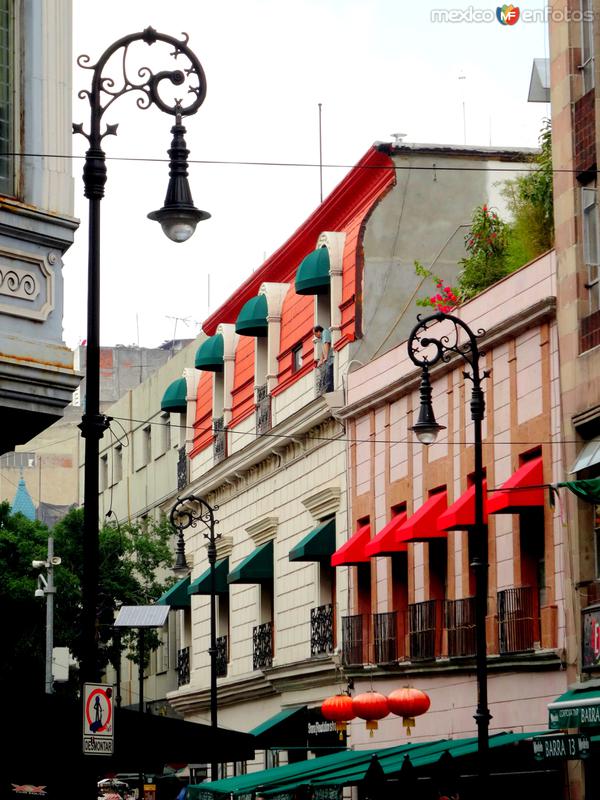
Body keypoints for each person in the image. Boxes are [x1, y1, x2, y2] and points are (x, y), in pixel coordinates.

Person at [313, 325, 334, 391]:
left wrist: (326, 357)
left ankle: (329, 389)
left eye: (315, 334)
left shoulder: (325, 332)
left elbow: (327, 344)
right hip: (328, 359)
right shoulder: (323, 337)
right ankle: (327, 389)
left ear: (319, 331)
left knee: (329, 375)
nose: (315, 336)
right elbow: (323, 349)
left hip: (330, 358)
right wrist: (321, 360)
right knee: (327, 375)